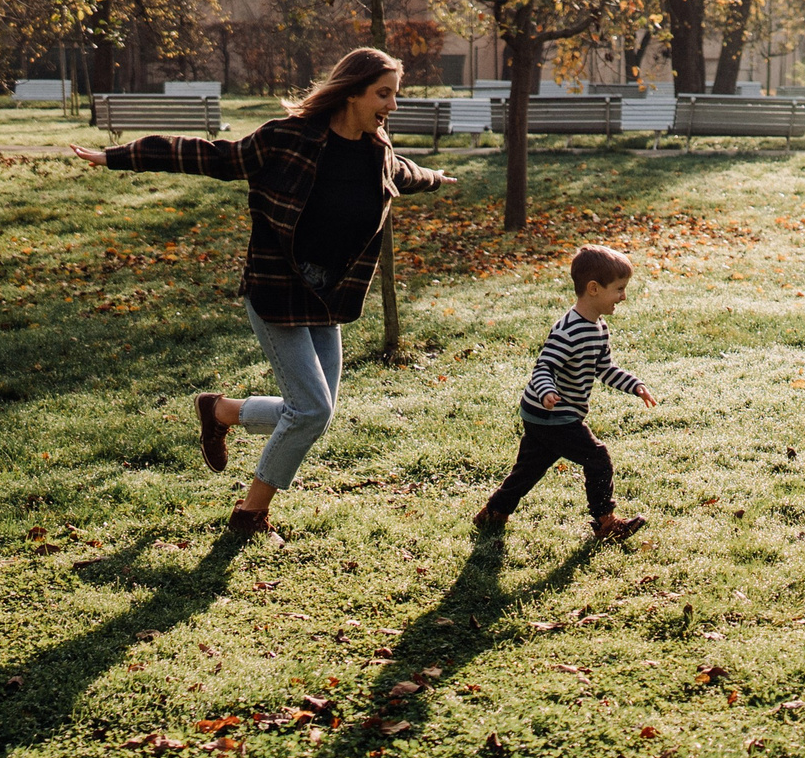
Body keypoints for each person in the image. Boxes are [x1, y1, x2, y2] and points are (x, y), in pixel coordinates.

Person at [72, 48, 453, 539]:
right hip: (278, 287)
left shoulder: (376, 150)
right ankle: (249, 516)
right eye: (384, 94)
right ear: (351, 91)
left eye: (394, 95)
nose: (393, 106)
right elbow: (213, 156)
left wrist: (436, 179)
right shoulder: (287, 139)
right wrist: (120, 157)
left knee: (314, 412)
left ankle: (221, 411)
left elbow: (402, 173)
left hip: (328, 297)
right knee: (312, 410)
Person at [473, 243, 654, 541]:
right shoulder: (568, 331)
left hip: (547, 415)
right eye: (619, 289)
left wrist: (635, 385)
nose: (624, 296)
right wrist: (547, 392)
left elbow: (605, 368)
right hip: (552, 413)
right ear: (594, 288)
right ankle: (605, 522)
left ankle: (493, 512)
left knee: (530, 468)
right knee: (597, 457)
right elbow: (544, 367)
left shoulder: (598, 328)